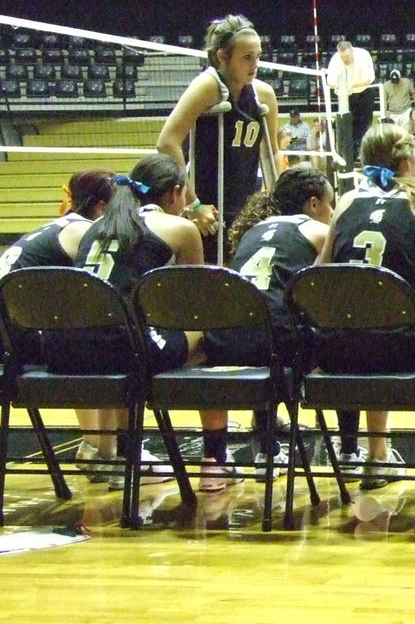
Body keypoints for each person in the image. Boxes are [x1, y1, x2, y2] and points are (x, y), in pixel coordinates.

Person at [0, 169, 161, 489]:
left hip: (10, 333)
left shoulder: (57, 227)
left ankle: (99, 447)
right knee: (99, 340)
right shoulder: (85, 233)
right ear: (103, 207)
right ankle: (102, 449)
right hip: (16, 336)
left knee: (85, 334)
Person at [66, 156, 211, 484]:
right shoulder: (181, 228)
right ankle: (212, 457)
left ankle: (112, 451)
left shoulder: (93, 227)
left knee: (127, 337)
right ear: (174, 194)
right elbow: (198, 304)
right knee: (205, 337)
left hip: (63, 348)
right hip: (119, 350)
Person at [318, 123, 415, 489]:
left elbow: (318, 276)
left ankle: (377, 457)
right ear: (409, 159)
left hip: (337, 350)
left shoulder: (344, 201)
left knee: (368, 320)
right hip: (401, 348)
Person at [212, 165, 335, 483]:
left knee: (267, 320)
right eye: (329, 203)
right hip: (278, 348)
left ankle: (267, 447)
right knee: (328, 331)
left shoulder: (252, 230)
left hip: (227, 341)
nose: (332, 212)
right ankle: (350, 449)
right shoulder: (319, 232)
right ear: (313, 204)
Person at [157, 14, 281, 265]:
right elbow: (167, 142)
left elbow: (272, 153)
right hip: (209, 204)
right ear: (223, 56)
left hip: (245, 203)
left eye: (257, 56)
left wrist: (278, 200)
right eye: (247, 57)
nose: (255, 64)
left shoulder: (264, 94)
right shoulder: (208, 85)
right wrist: (193, 205)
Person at [325, 40, 376, 192]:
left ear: (352, 51)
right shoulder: (336, 59)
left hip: (364, 91)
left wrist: (350, 85)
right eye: (343, 57)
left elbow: (368, 78)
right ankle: (349, 154)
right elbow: (330, 81)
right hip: (346, 96)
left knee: (365, 124)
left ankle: (362, 152)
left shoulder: (363, 55)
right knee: (349, 125)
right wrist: (343, 86)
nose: (345, 60)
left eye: (347, 57)